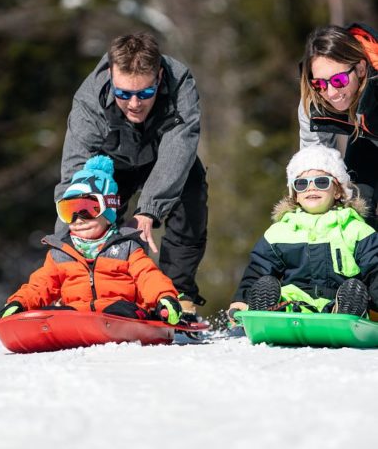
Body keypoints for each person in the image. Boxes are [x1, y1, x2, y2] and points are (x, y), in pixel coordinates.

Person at [54, 32, 208, 320]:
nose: (134, 103)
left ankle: (176, 293)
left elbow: (179, 148)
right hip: (111, 166)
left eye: (145, 93)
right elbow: (73, 175)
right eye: (124, 94)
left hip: (163, 159)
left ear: (159, 77)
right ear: (112, 76)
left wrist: (149, 208)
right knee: (82, 211)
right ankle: (74, 289)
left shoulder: (180, 83)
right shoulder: (90, 101)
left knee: (192, 187)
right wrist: (73, 226)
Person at [1, 155, 182, 325]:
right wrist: (19, 303)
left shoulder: (127, 248)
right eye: (69, 211)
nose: (78, 219)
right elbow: (40, 285)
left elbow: (147, 276)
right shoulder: (61, 254)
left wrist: (164, 297)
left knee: (121, 310)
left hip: (119, 313)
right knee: (52, 313)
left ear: (108, 211)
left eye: (88, 209)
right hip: (76, 315)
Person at [228, 145, 378, 321]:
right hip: (293, 304)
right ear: (295, 195)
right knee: (267, 285)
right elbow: (258, 269)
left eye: (321, 182)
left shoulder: (356, 230)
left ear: (338, 191)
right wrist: (241, 299)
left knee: (354, 290)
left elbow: (375, 270)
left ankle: (349, 313)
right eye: (302, 183)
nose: (311, 188)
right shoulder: (280, 232)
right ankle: (269, 311)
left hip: (337, 301)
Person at [298, 22, 378, 229]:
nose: (331, 92)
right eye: (320, 84)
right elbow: (316, 160)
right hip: (366, 139)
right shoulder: (314, 99)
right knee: (356, 205)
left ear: (360, 69)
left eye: (339, 80)